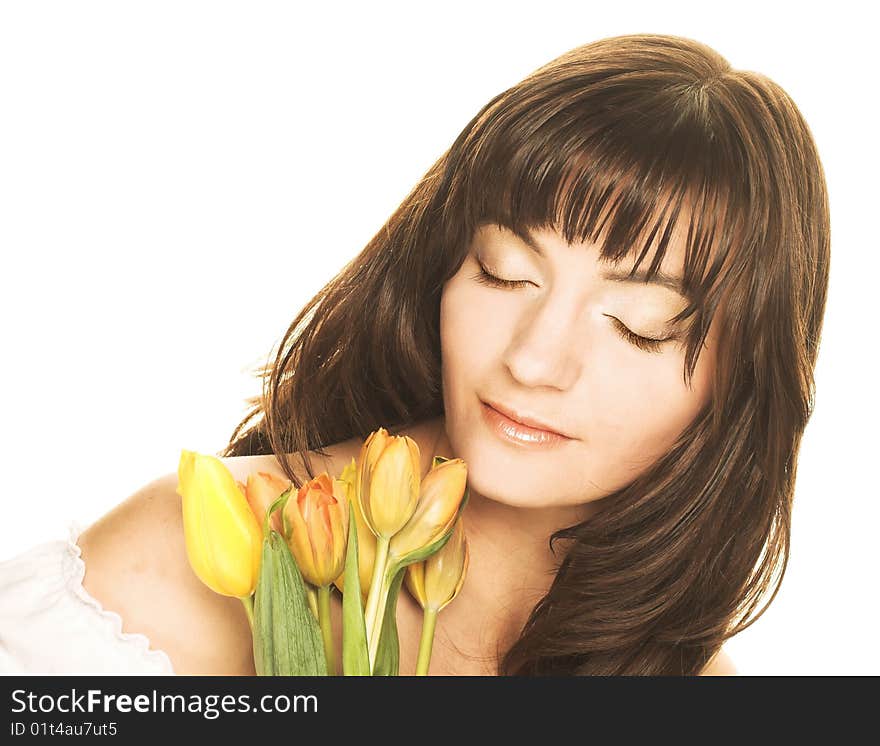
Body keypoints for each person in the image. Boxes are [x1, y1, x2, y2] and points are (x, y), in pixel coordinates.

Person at [0, 32, 829, 676]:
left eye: (638, 325)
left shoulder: (690, 679)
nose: (534, 362)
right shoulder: (192, 554)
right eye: (505, 274)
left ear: (740, 380)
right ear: (441, 267)